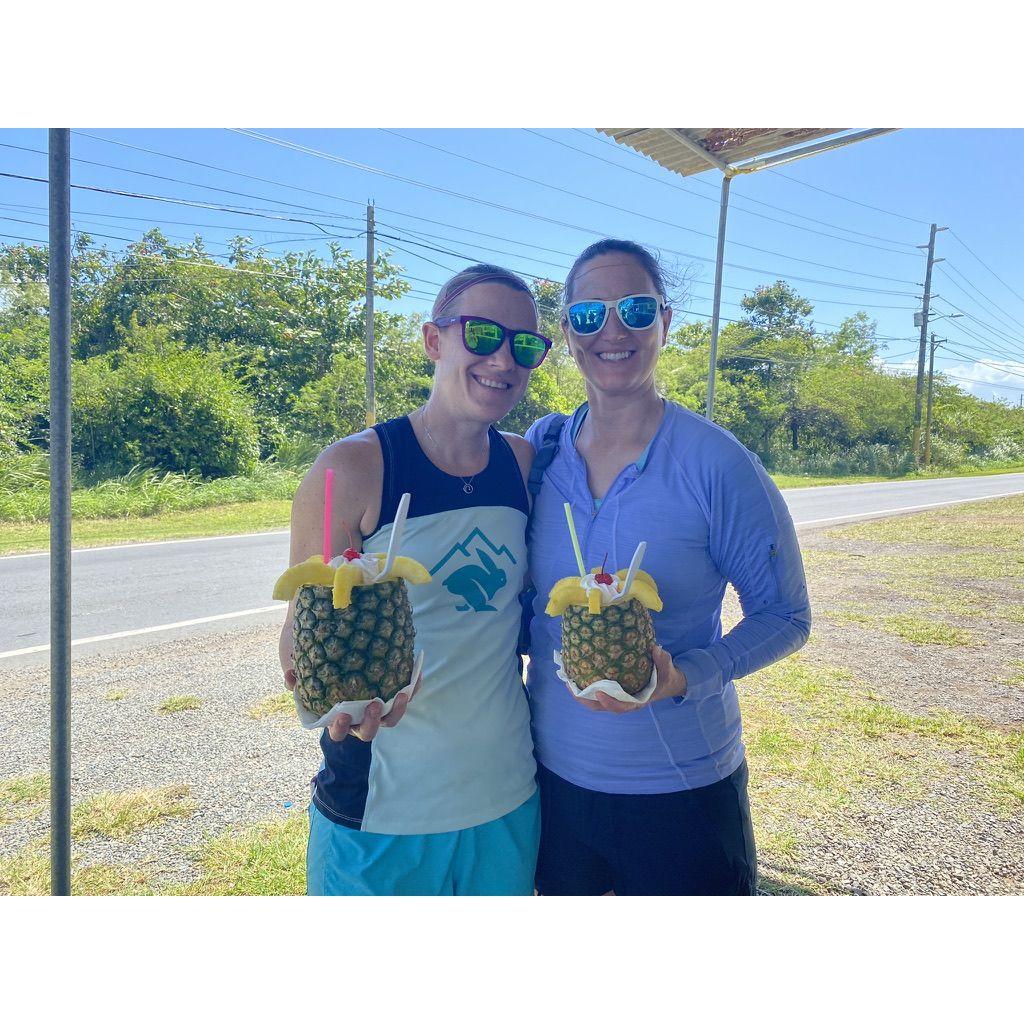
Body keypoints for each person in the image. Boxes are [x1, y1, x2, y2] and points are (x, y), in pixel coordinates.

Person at [524, 239, 811, 896]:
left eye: (635, 308)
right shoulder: (540, 454)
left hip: (682, 791)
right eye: (590, 315)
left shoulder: (716, 463)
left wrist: (688, 676)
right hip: (552, 785)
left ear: (665, 321)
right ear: (568, 333)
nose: (613, 329)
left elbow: (787, 615)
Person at [279, 264, 552, 895]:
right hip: (382, 807)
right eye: (481, 334)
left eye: (525, 345)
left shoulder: (521, 462)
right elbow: (301, 627)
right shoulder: (353, 467)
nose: (503, 359)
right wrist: (318, 693)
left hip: (506, 796)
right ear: (434, 341)